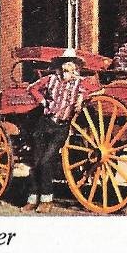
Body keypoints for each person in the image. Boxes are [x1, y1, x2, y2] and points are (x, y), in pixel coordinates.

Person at [21, 53, 95, 213]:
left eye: (71, 67)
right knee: (35, 162)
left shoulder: (80, 84)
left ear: (75, 68)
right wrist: (43, 101)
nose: (67, 71)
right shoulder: (51, 79)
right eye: (65, 67)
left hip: (61, 128)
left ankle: (47, 199)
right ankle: (32, 199)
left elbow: (98, 90)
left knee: (46, 161)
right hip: (44, 124)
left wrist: (83, 98)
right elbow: (31, 88)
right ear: (61, 67)